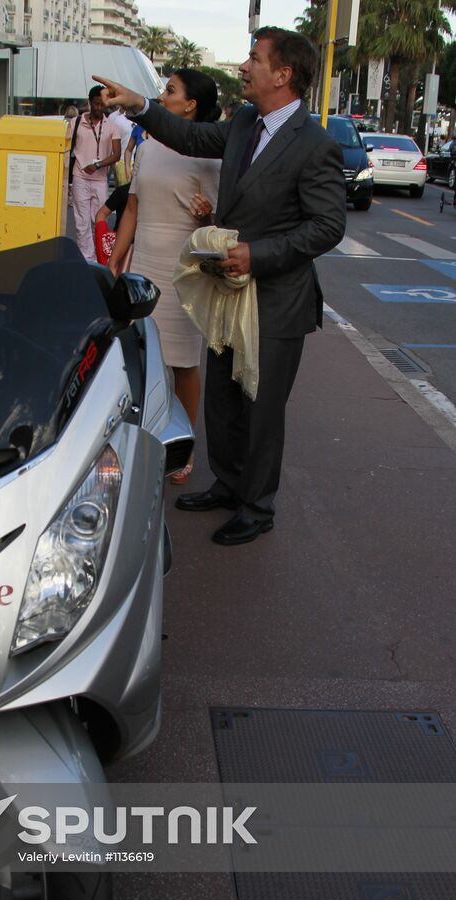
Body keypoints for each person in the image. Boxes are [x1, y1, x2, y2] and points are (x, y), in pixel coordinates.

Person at [93, 26, 346, 544]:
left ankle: (257, 505)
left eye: (254, 58)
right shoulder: (245, 122)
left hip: (275, 299)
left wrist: (257, 253)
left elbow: (327, 227)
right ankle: (228, 484)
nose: (243, 67)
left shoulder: (315, 145)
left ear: (283, 74)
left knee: (262, 407)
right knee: (225, 399)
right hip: (226, 293)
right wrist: (141, 105)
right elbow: (187, 136)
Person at [108, 69, 222, 484]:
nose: (162, 94)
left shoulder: (209, 153)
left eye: (169, 91)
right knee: (141, 357)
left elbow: (218, 219)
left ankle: (183, 446)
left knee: (183, 363)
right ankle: (143, 437)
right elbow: (133, 207)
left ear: (190, 105)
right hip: (145, 266)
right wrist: (118, 257)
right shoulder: (151, 144)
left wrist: (206, 214)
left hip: (185, 270)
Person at [70, 86, 121, 261]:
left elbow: (116, 154)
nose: (99, 108)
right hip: (80, 177)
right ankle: (87, 259)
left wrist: (98, 165)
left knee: (98, 220)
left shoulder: (112, 126)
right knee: (81, 220)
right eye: (96, 104)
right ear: (90, 103)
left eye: (102, 105)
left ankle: (99, 257)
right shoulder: (75, 123)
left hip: (100, 178)